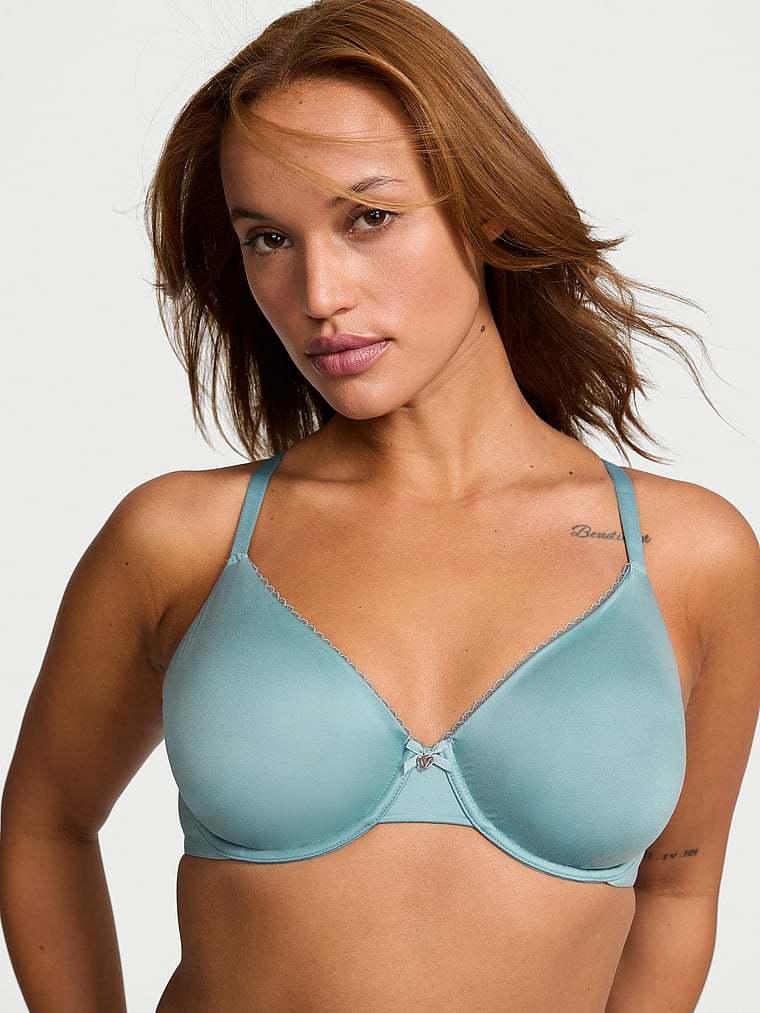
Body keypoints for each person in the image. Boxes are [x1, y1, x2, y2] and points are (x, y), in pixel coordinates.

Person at [2, 1, 759, 1010]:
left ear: (487, 209)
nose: (318, 293)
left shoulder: (685, 553)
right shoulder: (182, 540)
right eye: (269, 237)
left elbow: (677, 890)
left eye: (368, 216)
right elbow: (45, 825)